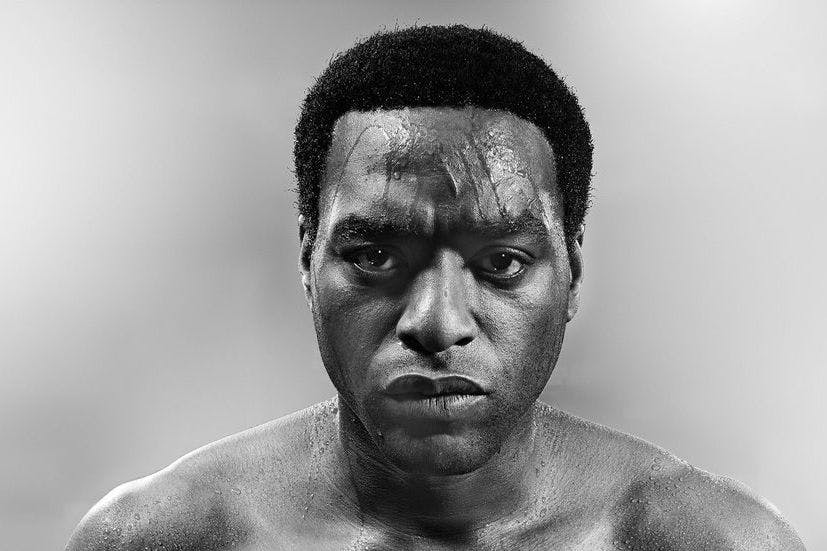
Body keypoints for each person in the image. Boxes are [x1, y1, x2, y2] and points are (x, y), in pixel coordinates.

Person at [66, 25, 805, 550]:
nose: (437, 321)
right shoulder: (165, 537)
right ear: (307, 260)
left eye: (502, 262)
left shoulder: (703, 540)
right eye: (374, 256)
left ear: (571, 273)